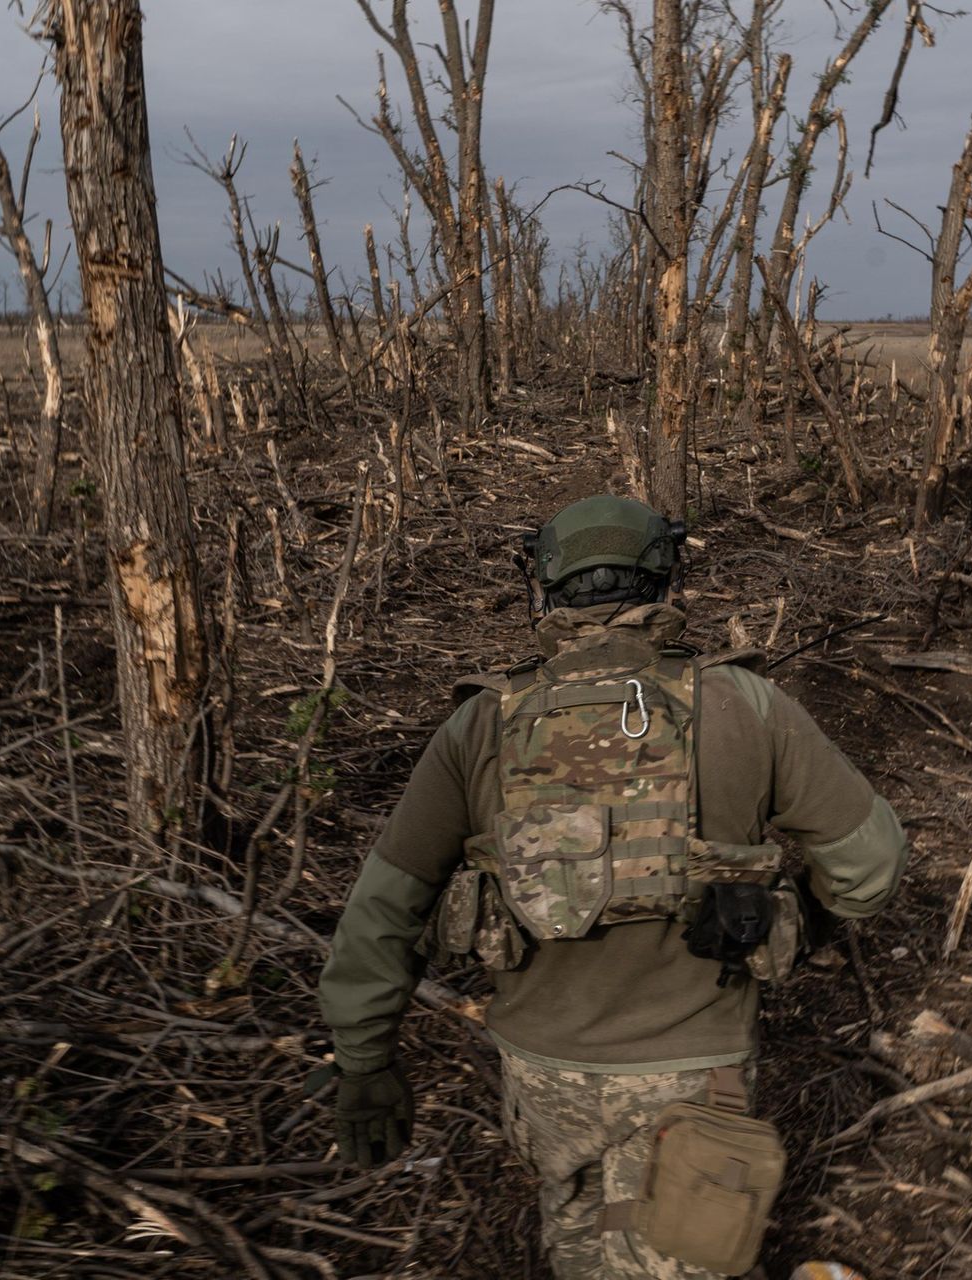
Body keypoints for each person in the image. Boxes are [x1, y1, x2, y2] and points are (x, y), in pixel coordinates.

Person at [318, 495, 909, 1280]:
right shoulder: (744, 706)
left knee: (578, 1240)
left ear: (547, 588)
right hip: (695, 1076)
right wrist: (795, 921)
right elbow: (872, 863)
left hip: (541, 1077)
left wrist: (365, 1064)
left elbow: (385, 909)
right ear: (666, 581)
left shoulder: (481, 726)